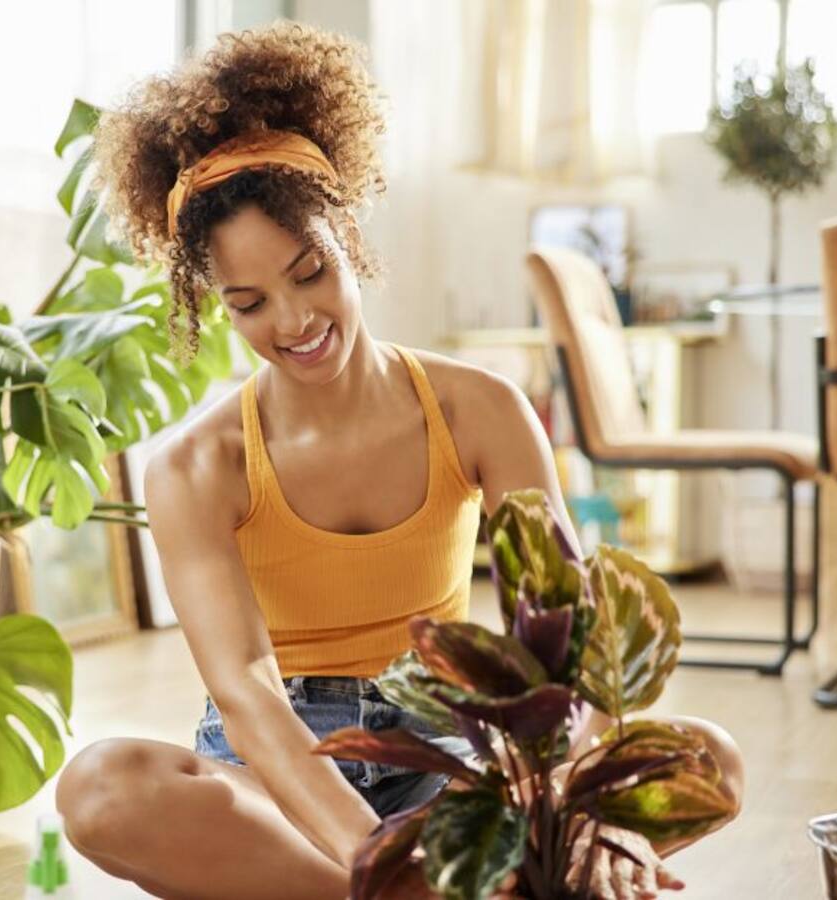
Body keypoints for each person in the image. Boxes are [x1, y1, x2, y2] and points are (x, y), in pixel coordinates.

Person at [55, 21, 742, 900]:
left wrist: (577, 802)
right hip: (280, 779)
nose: (294, 321)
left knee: (705, 759)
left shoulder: (477, 408)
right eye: (250, 302)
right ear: (214, 305)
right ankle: (443, 889)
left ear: (346, 231)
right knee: (103, 790)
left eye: (310, 272)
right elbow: (250, 699)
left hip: (450, 756)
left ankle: (442, 879)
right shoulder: (198, 464)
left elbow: (566, 640)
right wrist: (375, 855)